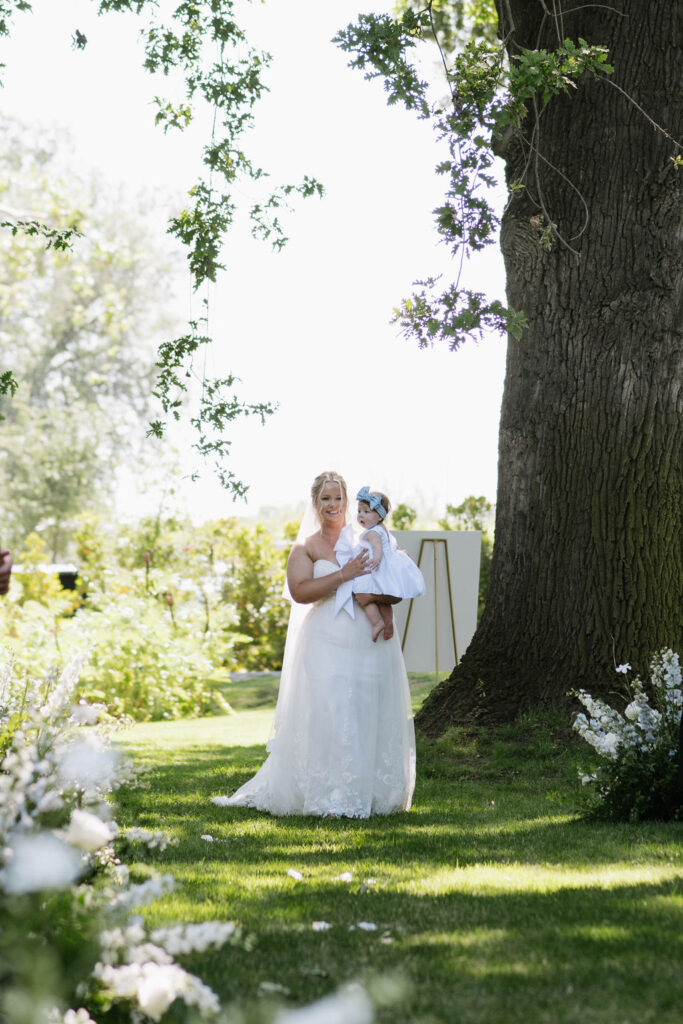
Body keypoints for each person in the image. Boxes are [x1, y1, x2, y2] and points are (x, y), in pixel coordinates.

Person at [212, 471, 416, 818]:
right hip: (325, 641)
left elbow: (391, 579)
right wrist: (343, 575)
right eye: (326, 499)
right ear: (315, 503)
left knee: (366, 712)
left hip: (368, 643)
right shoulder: (305, 547)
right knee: (332, 714)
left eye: (338, 498)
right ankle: (331, 797)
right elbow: (300, 591)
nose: (332, 505)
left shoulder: (367, 538)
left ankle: (372, 793)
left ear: (347, 502)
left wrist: (384, 608)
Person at [336, 486, 425, 642]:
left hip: (372, 571)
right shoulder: (383, 529)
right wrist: (399, 553)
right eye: (359, 511)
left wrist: (376, 558)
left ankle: (377, 622)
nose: (361, 515)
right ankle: (388, 622)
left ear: (379, 517)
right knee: (381, 599)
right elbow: (390, 546)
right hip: (383, 572)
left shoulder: (372, 533)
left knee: (361, 594)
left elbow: (377, 547)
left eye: (366, 512)